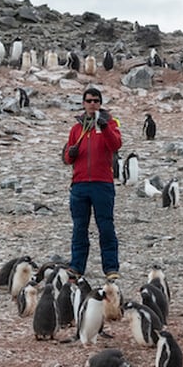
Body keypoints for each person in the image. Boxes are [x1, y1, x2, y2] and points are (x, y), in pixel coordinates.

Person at [62, 86, 122, 280]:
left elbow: (115, 145)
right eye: (89, 101)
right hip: (80, 184)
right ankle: (76, 266)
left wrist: (103, 127)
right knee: (80, 227)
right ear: (83, 103)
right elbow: (67, 157)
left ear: (100, 103)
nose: (92, 104)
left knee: (105, 226)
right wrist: (69, 154)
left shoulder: (109, 124)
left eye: (96, 101)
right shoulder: (76, 129)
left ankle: (111, 268)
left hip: (102, 184)